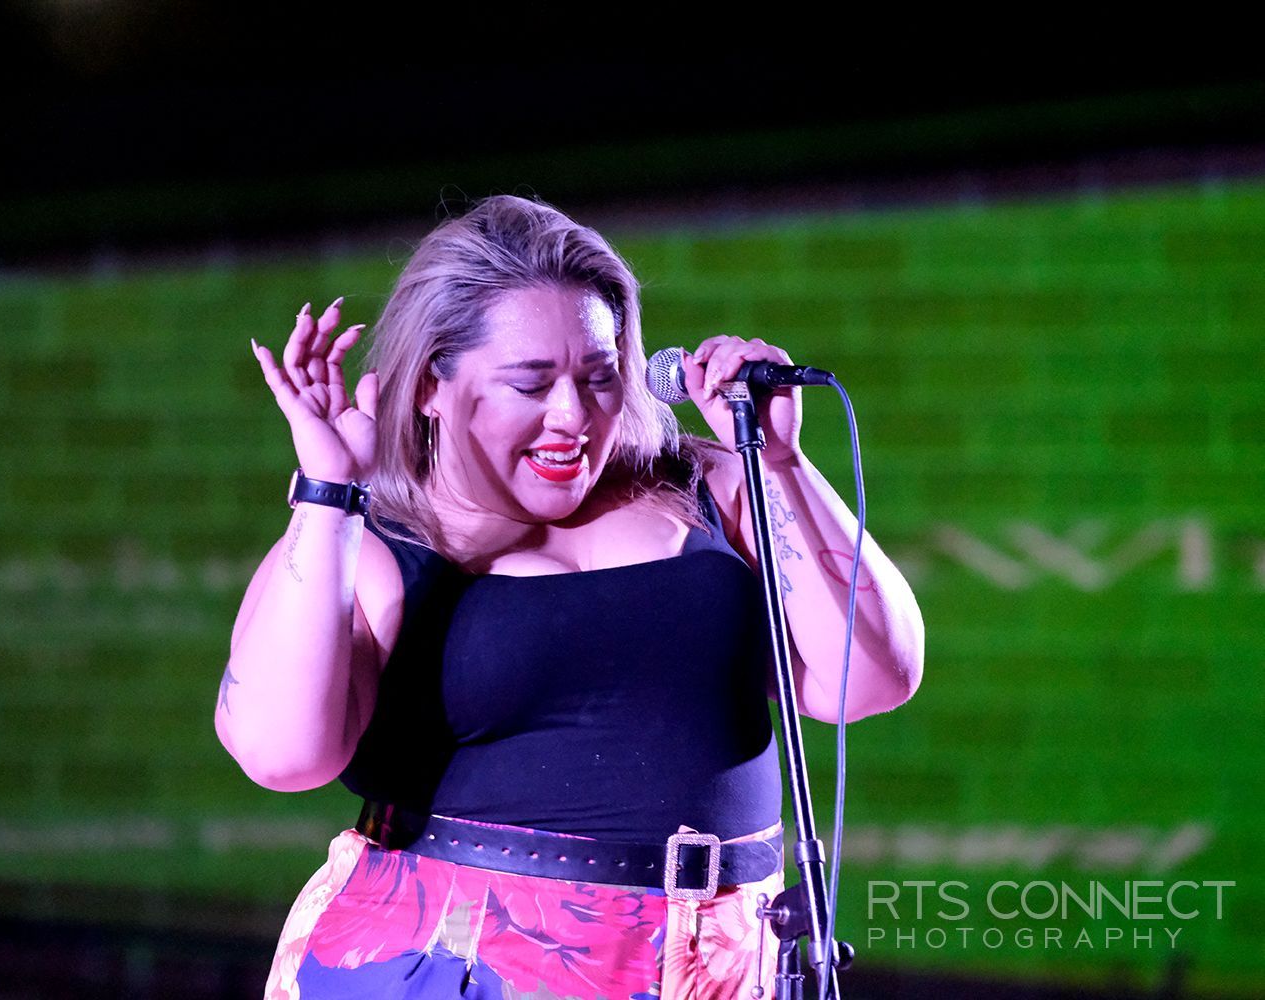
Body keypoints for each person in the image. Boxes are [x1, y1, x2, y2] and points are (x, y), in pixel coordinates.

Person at [216, 194, 924, 999]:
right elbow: (281, 755)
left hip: (727, 960)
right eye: (531, 383)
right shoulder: (376, 535)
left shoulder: (708, 484)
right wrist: (328, 493)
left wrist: (782, 463)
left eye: (598, 377)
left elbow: (871, 679)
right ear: (430, 387)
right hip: (457, 959)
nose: (573, 417)